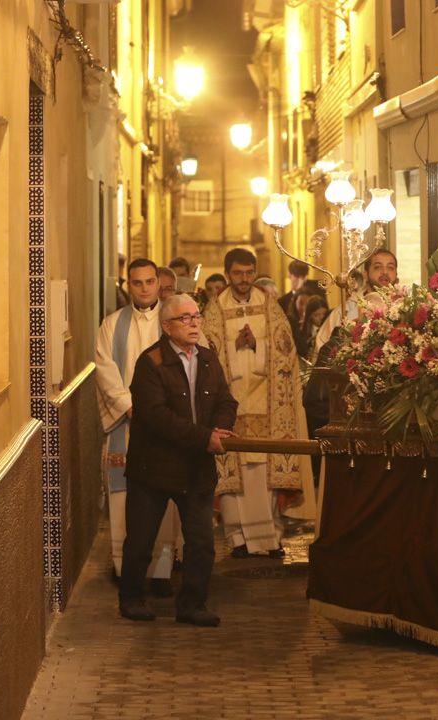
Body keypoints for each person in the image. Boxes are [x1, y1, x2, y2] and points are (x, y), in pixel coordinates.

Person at [118, 293, 238, 626]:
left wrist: (222, 428)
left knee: (201, 542)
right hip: (153, 468)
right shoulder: (151, 362)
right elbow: (157, 417)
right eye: (185, 318)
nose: (194, 323)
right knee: (141, 540)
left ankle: (193, 604)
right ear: (167, 326)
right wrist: (205, 438)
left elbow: (227, 401)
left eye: (196, 316)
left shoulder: (209, 359)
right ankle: (131, 598)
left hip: (195, 468)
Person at [201, 248, 309, 558]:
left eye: (249, 273)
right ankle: (238, 538)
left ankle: (270, 537)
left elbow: (286, 351)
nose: (244, 279)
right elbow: (207, 355)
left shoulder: (269, 305)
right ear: (228, 274)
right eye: (238, 273)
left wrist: (258, 346)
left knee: (264, 472)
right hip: (229, 403)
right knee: (234, 473)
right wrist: (234, 347)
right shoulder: (215, 309)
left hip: (268, 402)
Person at [95, 258, 179, 596]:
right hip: (128, 426)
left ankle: (161, 570)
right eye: (137, 282)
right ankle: (123, 566)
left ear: (159, 283)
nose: (144, 288)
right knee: (125, 497)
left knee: (165, 495)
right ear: (128, 285)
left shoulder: (173, 321)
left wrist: (162, 413)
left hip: (167, 428)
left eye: (149, 281)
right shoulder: (112, 325)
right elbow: (105, 370)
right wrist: (132, 408)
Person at [312, 248, 398, 357]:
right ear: (366, 274)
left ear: (396, 274)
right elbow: (322, 348)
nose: (385, 272)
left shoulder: (403, 308)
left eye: (390, 267)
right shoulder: (345, 311)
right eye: (377, 267)